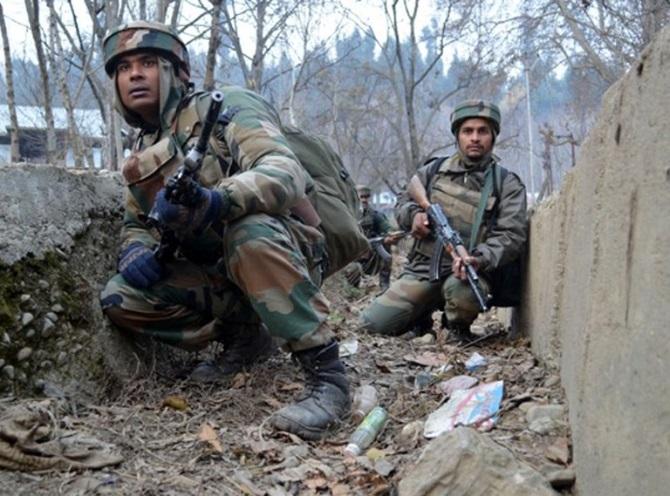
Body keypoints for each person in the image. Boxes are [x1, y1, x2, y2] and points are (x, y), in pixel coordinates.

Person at [98, 21, 349, 440]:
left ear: (177, 72)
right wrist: (135, 251)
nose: (135, 74)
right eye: (124, 69)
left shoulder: (227, 106)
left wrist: (219, 200)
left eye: (147, 63)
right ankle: (246, 337)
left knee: (247, 232)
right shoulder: (144, 149)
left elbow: (285, 172)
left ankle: (328, 377)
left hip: (284, 249)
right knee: (120, 297)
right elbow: (135, 223)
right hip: (221, 269)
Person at [359, 100, 528, 342]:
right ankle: (420, 315)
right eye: (467, 131)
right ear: (457, 136)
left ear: (493, 136)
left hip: (467, 272)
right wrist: (414, 216)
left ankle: (457, 327)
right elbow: (402, 203)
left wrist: (479, 258)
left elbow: (511, 236)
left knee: (464, 294)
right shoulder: (433, 170)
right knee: (371, 324)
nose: (475, 138)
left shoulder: (506, 184)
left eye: (483, 131)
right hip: (422, 269)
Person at [343, 185, 403, 291]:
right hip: (348, 257)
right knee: (353, 269)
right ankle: (350, 289)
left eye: (367, 197)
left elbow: (387, 228)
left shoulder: (373, 214)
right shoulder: (345, 213)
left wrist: (391, 235)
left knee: (385, 249)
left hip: (368, 255)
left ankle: (384, 285)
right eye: (362, 197)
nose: (365, 200)